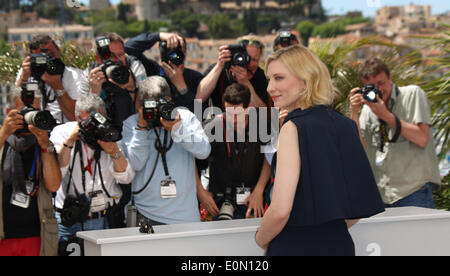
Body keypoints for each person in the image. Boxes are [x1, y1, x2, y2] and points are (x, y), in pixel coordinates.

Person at [255, 45, 385, 256]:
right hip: (339, 244)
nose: (269, 87)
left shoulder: (292, 127)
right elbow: (357, 206)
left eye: (279, 78)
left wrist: (260, 238)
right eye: (269, 79)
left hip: (295, 245)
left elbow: (280, 211)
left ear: (305, 81)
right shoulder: (347, 125)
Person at [349, 58, 441, 208]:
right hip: (381, 196)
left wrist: (385, 115)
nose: (379, 90)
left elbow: (422, 138)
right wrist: (354, 113)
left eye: (381, 83)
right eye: (372, 86)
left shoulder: (412, 94)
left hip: (413, 193)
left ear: (390, 78)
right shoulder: (367, 109)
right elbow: (359, 149)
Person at [50, 94, 135, 254]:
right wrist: (70, 141)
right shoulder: (62, 132)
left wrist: (114, 151)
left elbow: (126, 177)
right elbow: (57, 171)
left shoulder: (110, 135)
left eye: (100, 120)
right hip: (69, 218)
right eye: (90, 122)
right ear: (77, 118)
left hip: (102, 218)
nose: (96, 127)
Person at [122, 76, 211, 225]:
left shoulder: (185, 117)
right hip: (145, 213)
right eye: (151, 106)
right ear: (141, 104)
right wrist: (142, 128)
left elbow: (203, 151)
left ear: (170, 100)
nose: (156, 112)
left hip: (184, 216)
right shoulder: (132, 124)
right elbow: (136, 164)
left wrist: (177, 128)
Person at [0, 87, 61, 256]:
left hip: (36, 234)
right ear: (8, 112)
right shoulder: (2, 139)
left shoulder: (44, 144)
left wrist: (44, 145)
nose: (29, 118)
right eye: (24, 112)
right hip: (3, 236)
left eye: (34, 112)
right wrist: (4, 133)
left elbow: (54, 185)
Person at [200, 83, 270, 219]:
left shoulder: (262, 125)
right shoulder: (212, 126)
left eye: (237, 114)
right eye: (228, 113)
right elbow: (191, 159)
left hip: (254, 198)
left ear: (249, 107)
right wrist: (201, 193)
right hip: (220, 200)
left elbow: (270, 157)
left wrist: (259, 190)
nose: (232, 119)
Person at [79, 32, 147, 131]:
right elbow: (83, 118)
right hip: (104, 131)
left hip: (133, 127)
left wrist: (132, 88)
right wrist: (94, 94)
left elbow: (146, 111)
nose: (117, 60)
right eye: (110, 56)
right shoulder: (90, 74)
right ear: (98, 59)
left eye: (120, 54)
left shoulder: (133, 67)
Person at [125, 31, 203, 113]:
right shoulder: (153, 71)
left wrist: (183, 88)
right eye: (169, 52)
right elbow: (127, 49)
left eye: (178, 52)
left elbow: (199, 113)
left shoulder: (196, 78)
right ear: (161, 54)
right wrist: (157, 36)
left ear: (184, 54)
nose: (174, 56)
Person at [15, 34, 82, 123]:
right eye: (40, 58)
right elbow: (16, 110)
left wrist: (57, 86)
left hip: (63, 129)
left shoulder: (74, 75)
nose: (46, 60)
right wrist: (23, 78)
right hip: (34, 128)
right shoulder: (26, 72)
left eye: (51, 55)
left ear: (59, 51)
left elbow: (75, 117)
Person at [196, 35, 269, 111]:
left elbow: (262, 111)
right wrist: (219, 65)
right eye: (245, 58)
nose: (249, 64)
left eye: (255, 60)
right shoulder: (219, 70)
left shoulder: (260, 76)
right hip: (221, 120)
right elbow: (199, 98)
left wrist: (245, 82)